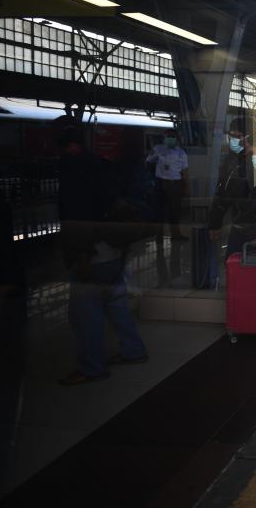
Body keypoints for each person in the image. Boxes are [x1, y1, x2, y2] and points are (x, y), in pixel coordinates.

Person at [56, 117, 148, 385]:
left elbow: (77, 215)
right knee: (116, 302)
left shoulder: (71, 171)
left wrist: (81, 253)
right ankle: (134, 350)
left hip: (91, 251)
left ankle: (92, 366)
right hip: (114, 247)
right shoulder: (102, 166)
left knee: (86, 312)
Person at [209, 117, 256, 259]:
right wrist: (215, 221)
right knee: (232, 263)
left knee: (254, 268)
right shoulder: (231, 160)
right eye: (231, 135)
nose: (233, 139)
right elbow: (222, 190)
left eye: (237, 136)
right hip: (239, 225)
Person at [147, 128, 189, 241]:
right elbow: (148, 161)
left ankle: (176, 235)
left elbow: (185, 171)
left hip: (175, 184)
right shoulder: (158, 149)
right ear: (164, 138)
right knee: (159, 211)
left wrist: (186, 187)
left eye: (172, 136)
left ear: (176, 139)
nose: (170, 138)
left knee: (175, 212)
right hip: (161, 183)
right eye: (168, 136)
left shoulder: (181, 152)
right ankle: (158, 236)